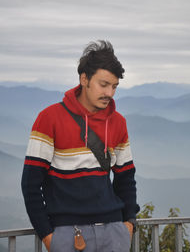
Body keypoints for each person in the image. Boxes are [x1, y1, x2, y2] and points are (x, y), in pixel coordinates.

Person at [21, 40, 140, 252]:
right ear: (84, 79)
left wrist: (128, 224)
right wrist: (49, 237)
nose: (110, 93)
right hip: (68, 233)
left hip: (114, 232)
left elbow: (126, 177)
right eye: (103, 85)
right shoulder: (49, 118)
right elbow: (30, 183)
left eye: (114, 86)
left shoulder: (118, 122)